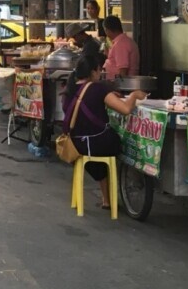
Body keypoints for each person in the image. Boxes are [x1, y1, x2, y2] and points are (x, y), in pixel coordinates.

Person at [62, 54, 147, 209]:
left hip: (76, 145)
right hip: (98, 145)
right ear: (94, 71)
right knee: (118, 143)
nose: (100, 73)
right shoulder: (98, 88)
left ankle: (106, 200)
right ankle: (124, 187)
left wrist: (107, 96)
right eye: (99, 70)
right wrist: (135, 94)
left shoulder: (69, 90)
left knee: (100, 149)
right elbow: (126, 109)